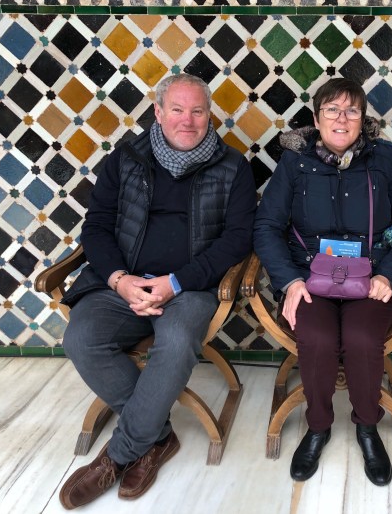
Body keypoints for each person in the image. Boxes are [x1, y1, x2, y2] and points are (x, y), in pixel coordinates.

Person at [58, 73, 256, 509]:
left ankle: (118, 455)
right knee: (82, 338)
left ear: (210, 115)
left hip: (191, 287)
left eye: (198, 111)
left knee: (178, 340)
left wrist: (175, 283)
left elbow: (238, 240)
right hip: (123, 282)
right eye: (178, 110)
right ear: (159, 112)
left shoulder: (233, 166)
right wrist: (119, 280)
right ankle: (158, 436)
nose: (188, 120)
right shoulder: (125, 158)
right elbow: (96, 226)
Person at [253, 78, 392, 486]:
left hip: (372, 277)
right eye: (332, 109)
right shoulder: (294, 163)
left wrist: (390, 275)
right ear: (316, 119)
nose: (342, 118)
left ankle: (367, 426)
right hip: (308, 278)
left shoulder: (383, 159)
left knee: (361, 339)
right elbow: (266, 226)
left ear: (362, 119)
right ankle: (318, 427)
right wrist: (289, 281)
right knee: (318, 339)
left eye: (352, 110)